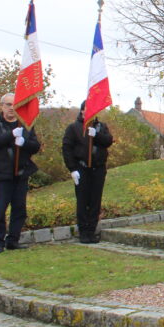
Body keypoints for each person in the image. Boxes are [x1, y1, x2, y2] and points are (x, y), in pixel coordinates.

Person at [0, 93, 42, 254]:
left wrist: (24, 143)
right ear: (2, 106)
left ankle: (13, 240)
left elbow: (36, 146)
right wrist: (11, 135)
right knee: (0, 209)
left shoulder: (25, 124)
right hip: (1, 174)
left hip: (20, 173)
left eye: (14, 105)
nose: (11, 108)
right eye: (8, 105)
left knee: (19, 209)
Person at [62, 101, 114, 244]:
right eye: (87, 109)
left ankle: (91, 230)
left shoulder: (101, 126)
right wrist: (72, 169)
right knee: (83, 200)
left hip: (98, 168)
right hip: (82, 168)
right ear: (82, 111)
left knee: (95, 201)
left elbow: (108, 141)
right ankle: (83, 231)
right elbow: (67, 149)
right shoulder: (73, 128)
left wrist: (96, 135)